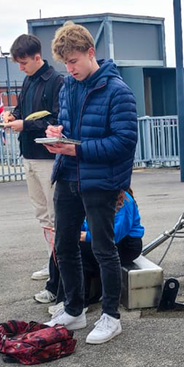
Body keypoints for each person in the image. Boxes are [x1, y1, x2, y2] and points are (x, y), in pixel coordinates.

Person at [43, 21, 138, 345]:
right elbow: (70, 124)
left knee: (102, 248)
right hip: (68, 173)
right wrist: (58, 133)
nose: (70, 69)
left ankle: (111, 317)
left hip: (101, 180)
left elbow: (125, 142)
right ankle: (74, 309)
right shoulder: (68, 86)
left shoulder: (118, 91)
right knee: (65, 245)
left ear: (90, 52)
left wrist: (77, 148)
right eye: (65, 64)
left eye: (74, 61)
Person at [2, 34, 65, 285]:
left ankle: (59, 263)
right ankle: (53, 261)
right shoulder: (28, 80)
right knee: (42, 213)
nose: (21, 67)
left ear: (37, 57)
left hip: (46, 156)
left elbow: (58, 119)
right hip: (29, 154)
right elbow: (22, 111)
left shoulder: (57, 81)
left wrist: (25, 125)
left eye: (24, 62)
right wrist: (12, 115)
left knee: (54, 213)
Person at [45, 189, 144, 311]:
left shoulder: (123, 199)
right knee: (64, 244)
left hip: (126, 244)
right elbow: (81, 221)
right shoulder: (89, 195)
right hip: (100, 238)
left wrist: (86, 236)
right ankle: (53, 289)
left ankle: (79, 302)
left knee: (82, 250)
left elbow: (115, 234)